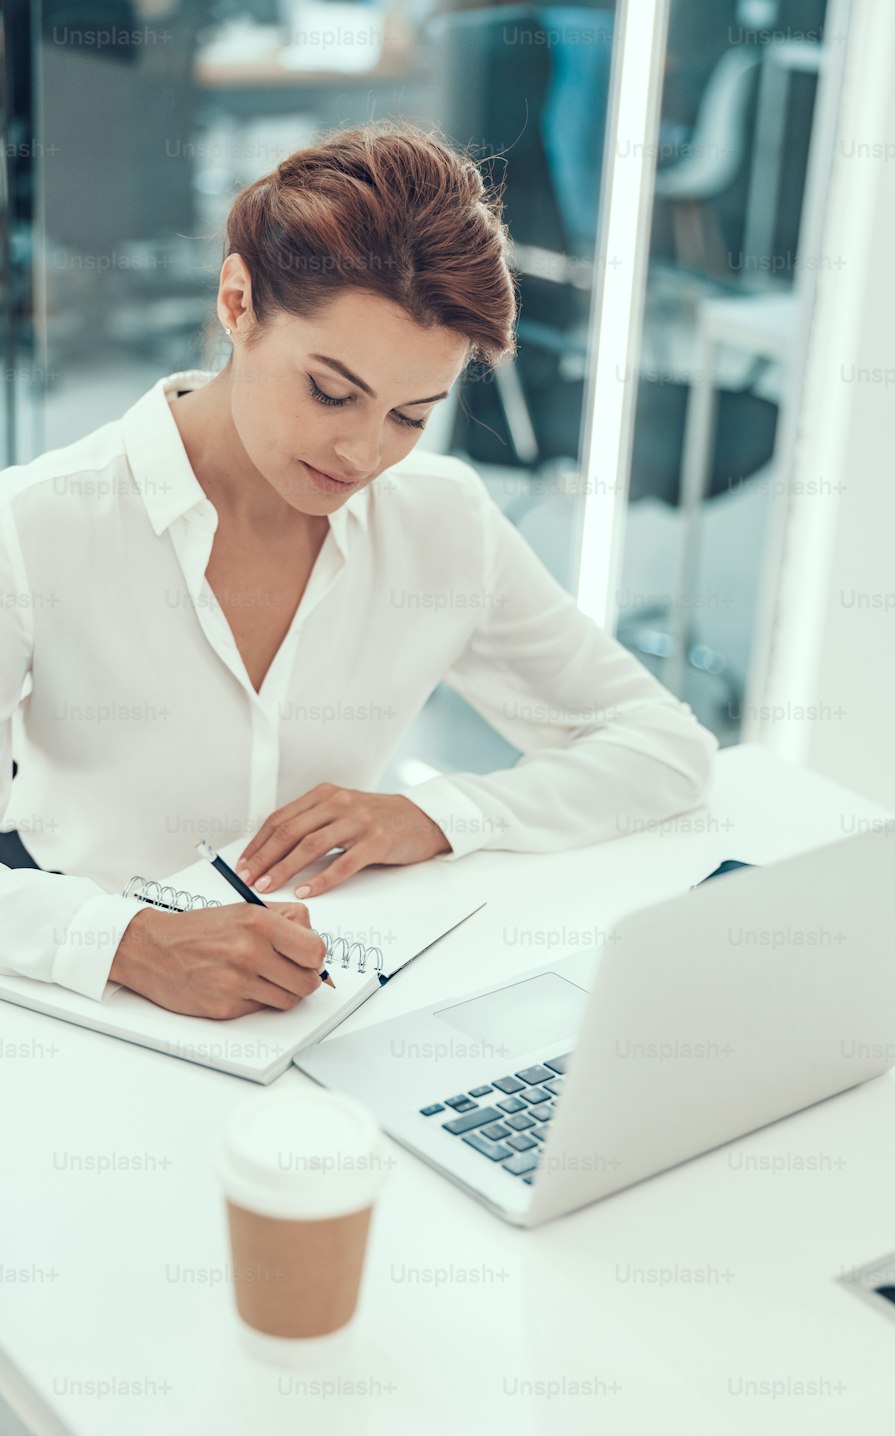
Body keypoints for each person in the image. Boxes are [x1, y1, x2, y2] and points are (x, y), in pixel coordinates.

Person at [0, 119, 718, 1024]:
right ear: (237, 303)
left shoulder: (440, 522)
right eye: (331, 392)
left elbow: (662, 747)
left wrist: (432, 815)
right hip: (89, 1008)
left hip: (340, 1004)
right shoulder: (35, 525)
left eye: (411, 416)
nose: (362, 451)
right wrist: (128, 945)